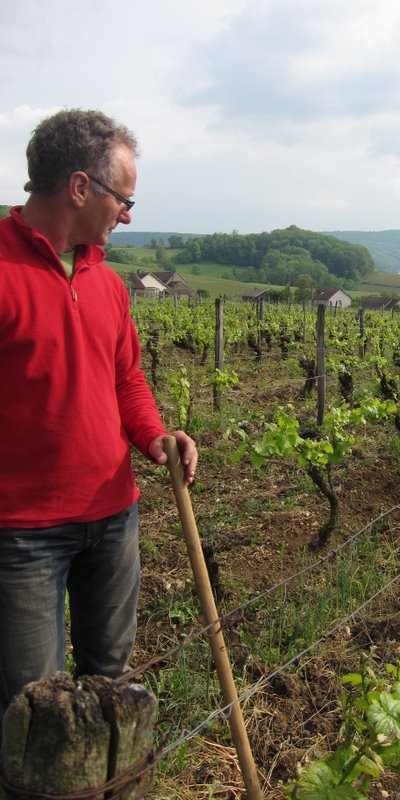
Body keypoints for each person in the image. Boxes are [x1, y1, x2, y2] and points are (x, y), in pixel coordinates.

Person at [0, 108, 198, 723]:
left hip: (114, 519)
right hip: (21, 533)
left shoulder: (108, 283)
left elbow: (125, 378)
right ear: (81, 186)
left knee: (109, 690)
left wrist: (155, 437)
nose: (129, 214)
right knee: (32, 711)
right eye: (124, 197)